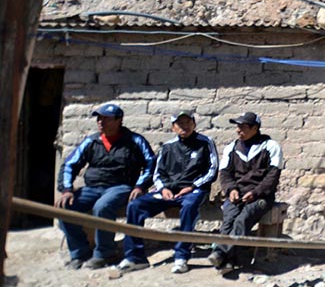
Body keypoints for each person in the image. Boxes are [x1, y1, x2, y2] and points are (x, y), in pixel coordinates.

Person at [56, 102, 155, 269]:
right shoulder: (91, 141)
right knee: (65, 208)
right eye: (99, 118)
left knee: (102, 207)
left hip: (121, 187)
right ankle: (79, 253)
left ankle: (104, 253)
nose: (100, 122)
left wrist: (140, 186)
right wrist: (67, 189)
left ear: (119, 120)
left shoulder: (134, 140)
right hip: (92, 188)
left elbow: (151, 164)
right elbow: (70, 165)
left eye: (106, 119)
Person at [117, 111, 218, 274]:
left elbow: (212, 170)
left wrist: (192, 186)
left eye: (187, 122)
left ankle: (181, 256)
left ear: (194, 124)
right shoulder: (167, 147)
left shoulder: (205, 143)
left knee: (190, 206)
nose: (184, 126)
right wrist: (163, 189)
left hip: (194, 190)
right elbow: (157, 173)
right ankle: (135, 257)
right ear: (173, 127)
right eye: (180, 124)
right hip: (168, 191)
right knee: (136, 206)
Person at [209, 111, 283, 272]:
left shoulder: (270, 147)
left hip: (261, 196)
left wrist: (256, 193)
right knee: (229, 219)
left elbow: (272, 177)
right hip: (237, 194)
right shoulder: (232, 147)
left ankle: (220, 253)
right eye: (237, 126)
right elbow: (225, 174)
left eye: (243, 127)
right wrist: (231, 189)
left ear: (255, 128)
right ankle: (229, 262)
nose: (238, 130)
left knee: (243, 219)